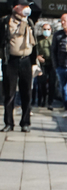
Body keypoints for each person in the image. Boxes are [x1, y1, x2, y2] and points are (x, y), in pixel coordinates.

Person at [0, 0, 38, 132]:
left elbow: (38, 10)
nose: (25, 8)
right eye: (23, 6)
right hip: (10, 60)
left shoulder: (29, 21)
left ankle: (25, 122)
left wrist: (28, 6)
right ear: (16, 7)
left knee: (26, 92)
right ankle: (9, 123)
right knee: (9, 93)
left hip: (26, 60)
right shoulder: (6, 21)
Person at [36, 22, 54, 110]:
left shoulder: (53, 39)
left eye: (48, 29)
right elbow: (34, 49)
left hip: (52, 63)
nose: (46, 31)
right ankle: (41, 100)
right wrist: (37, 56)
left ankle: (50, 102)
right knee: (41, 83)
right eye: (45, 29)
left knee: (52, 83)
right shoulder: (38, 39)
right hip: (42, 64)